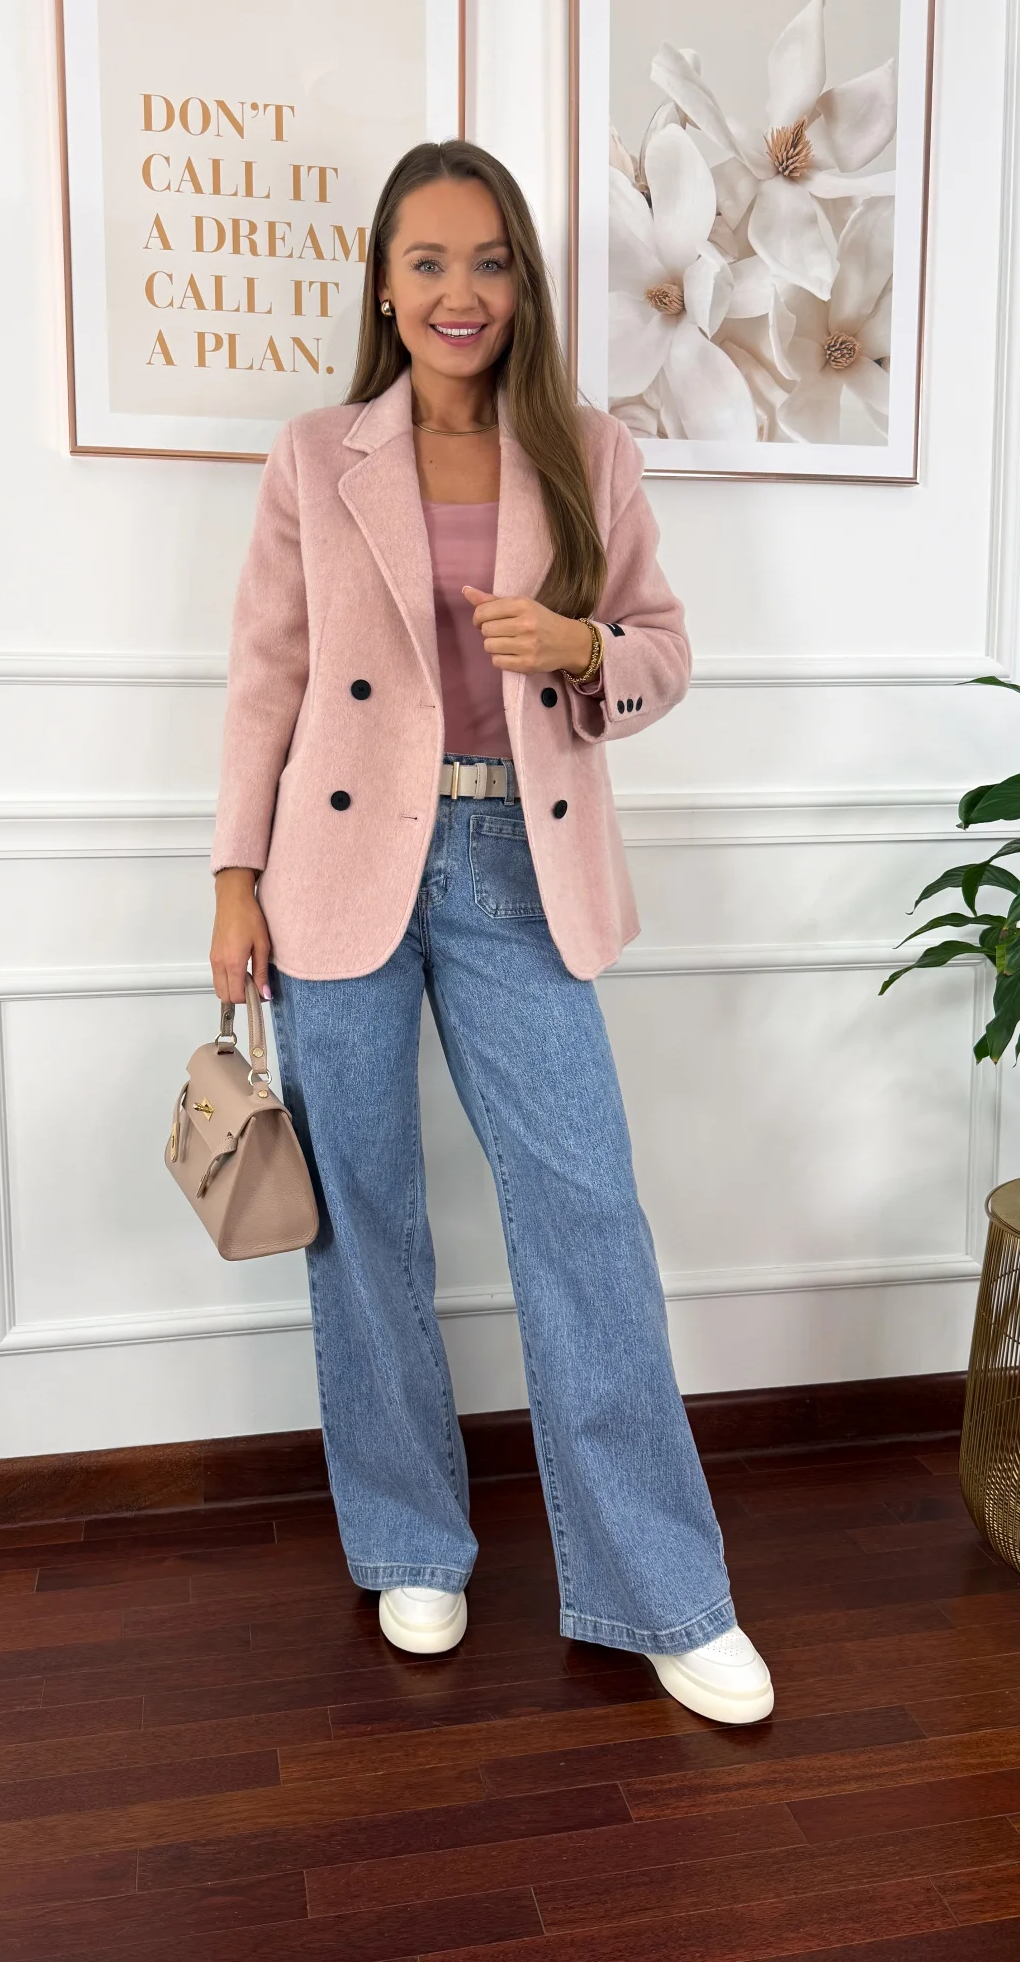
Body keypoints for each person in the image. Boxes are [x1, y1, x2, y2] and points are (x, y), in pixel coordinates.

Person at [209, 139, 773, 1726]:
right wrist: (232, 875)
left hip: (520, 858)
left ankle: (664, 1591)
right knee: (364, 1215)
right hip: (335, 867)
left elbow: (661, 650)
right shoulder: (316, 455)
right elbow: (267, 675)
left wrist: (582, 645)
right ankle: (410, 1540)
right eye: (429, 261)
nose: (461, 292)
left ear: (522, 281)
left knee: (586, 1214)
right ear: (384, 285)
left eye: (491, 261)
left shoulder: (590, 451)